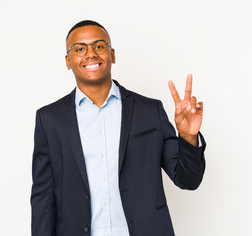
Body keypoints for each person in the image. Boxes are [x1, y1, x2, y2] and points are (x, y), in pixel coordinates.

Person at [31, 20, 206, 236]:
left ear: (112, 54)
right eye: (80, 49)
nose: (91, 54)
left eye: (99, 46)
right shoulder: (49, 120)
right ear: (68, 61)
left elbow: (188, 180)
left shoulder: (149, 111)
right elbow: (43, 200)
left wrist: (188, 137)